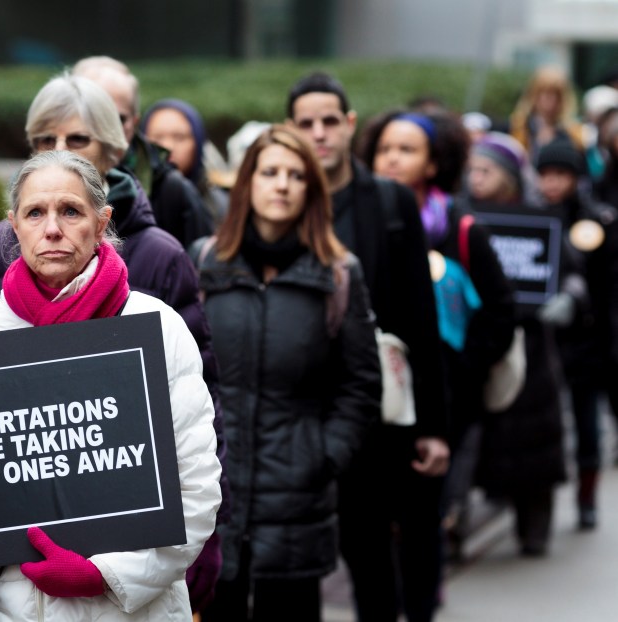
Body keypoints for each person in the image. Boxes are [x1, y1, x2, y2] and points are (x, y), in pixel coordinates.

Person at [0, 149, 221, 620]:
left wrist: (108, 574)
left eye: (71, 211)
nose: (53, 228)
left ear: (102, 223)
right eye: (35, 212)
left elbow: (196, 491)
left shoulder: (156, 330)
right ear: (13, 225)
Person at [196, 124, 381, 621]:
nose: (282, 184)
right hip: (215, 492)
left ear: (312, 191)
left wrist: (324, 454)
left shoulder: (338, 275)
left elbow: (361, 384)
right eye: (270, 172)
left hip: (298, 498)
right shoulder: (206, 263)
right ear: (247, 182)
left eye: (296, 175)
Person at [286, 72, 448, 622]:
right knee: (295, 567)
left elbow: (421, 321)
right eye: (306, 123)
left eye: (329, 121)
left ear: (350, 125)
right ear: (290, 129)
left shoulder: (389, 202)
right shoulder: (279, 199)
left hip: (376, 411)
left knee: (373, 554)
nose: (319, 133)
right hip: (298, 413)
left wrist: (433, 425)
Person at [359, 109, 516, 619]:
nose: (393, 159)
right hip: (372, 403)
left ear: (433, 162)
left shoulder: (461, 229)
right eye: (385, 149)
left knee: (424, 520)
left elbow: (500, 313)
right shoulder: (357, 224)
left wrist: (459, 369)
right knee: (369, 527)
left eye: (406, 150)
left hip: (442, 403)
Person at [467, 132, 568, 557]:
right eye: (471, 170)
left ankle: (534, 524)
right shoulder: (464, 219)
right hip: (483, 339)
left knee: (533, 443)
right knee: (478, 439)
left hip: (529, 345)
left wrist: (570, 298)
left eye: (486, 171)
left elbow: (570, 270)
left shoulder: (537, 218)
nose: (476, 179)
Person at [534, 138, 618, 530]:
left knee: (587, 425)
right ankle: (539, 506)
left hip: (585, 342)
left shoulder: (594, 221)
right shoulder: (529, 216)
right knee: (544, 426)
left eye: (561, 175)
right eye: (546, 175)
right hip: (542, 340)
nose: (552, 183)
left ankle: (587, 496)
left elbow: (605, 286)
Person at [71, 56, 214, 249]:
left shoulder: (171, 190)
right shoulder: (36, 182)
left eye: (115, 118)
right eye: (91, 116)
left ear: (134, 123)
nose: (103, 129)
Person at [141, 98, 229, 225]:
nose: (168, 147)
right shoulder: (130, 202)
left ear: (198, 143)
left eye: (179, 137)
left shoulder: (221, 207)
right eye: (157, 137)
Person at [509, 65, 584, 162]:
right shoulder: (520, 125)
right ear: (534, 95)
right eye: (545, 94)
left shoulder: (572, 132)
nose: (550, 100)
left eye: (556, 95)